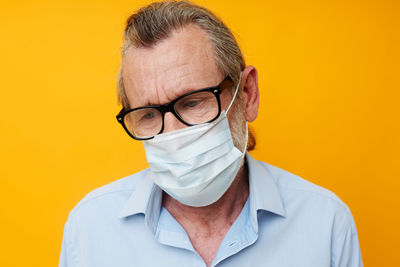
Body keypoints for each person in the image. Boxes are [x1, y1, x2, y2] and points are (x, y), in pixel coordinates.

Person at [59, 1, 363, 266]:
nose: (173, 134)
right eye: (149, 114)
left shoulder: (326, 223)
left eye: (192, 102)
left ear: (247, 94)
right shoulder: (90, 228)